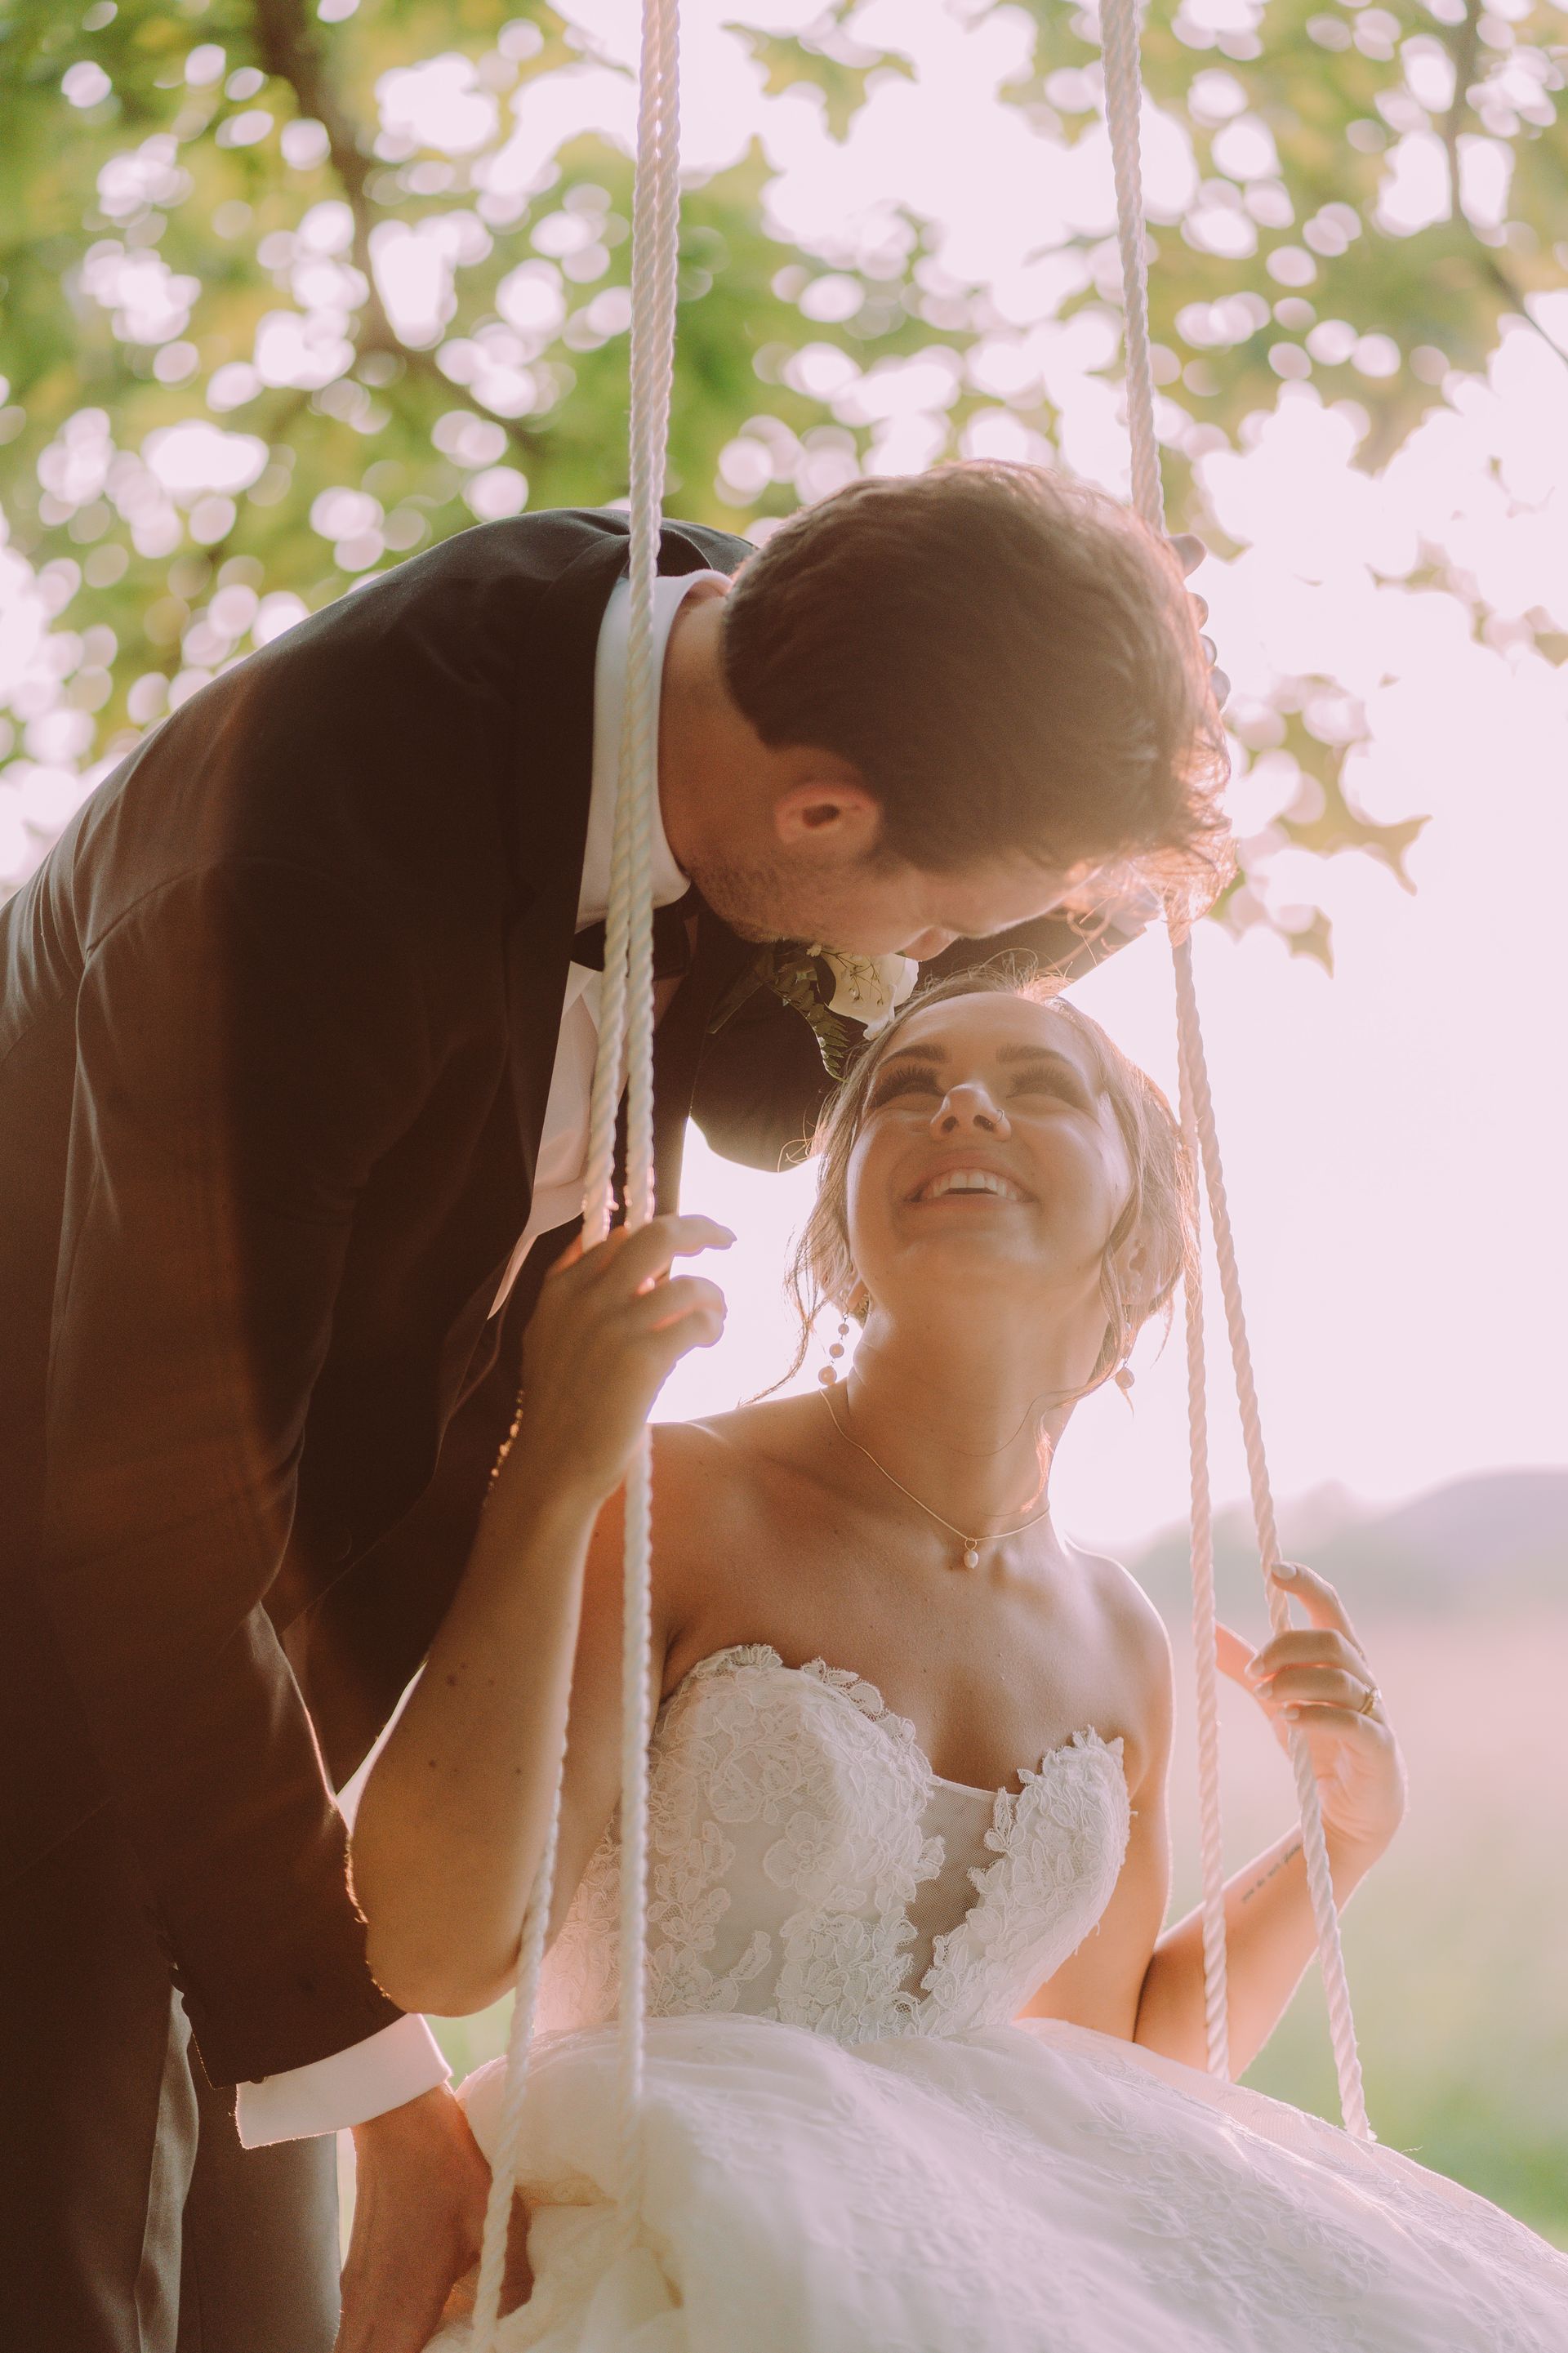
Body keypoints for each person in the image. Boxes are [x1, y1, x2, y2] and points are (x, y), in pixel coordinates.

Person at [0, 463, 1227, 2353]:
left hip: (264, 1706)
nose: (930, 1011)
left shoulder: (749, 644)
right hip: (64, 1662)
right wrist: (405, 2115)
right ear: (824, 813)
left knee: (268, 2306)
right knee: (76, 2280)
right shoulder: (293, 883)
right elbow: (144, 1553)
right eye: (949, 933)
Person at [352, 972, 1568, 2351]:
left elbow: (1102, 2068)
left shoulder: (1115, 1635)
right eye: (907, 1090)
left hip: (973, 2253)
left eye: (1041, 1086)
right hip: (672, 2237)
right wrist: (547, 1485)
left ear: (1142, 1228)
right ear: (844, 1223)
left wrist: (1342, 1840)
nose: (963, 1104)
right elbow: (434, 1951)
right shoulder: (667, 1498)